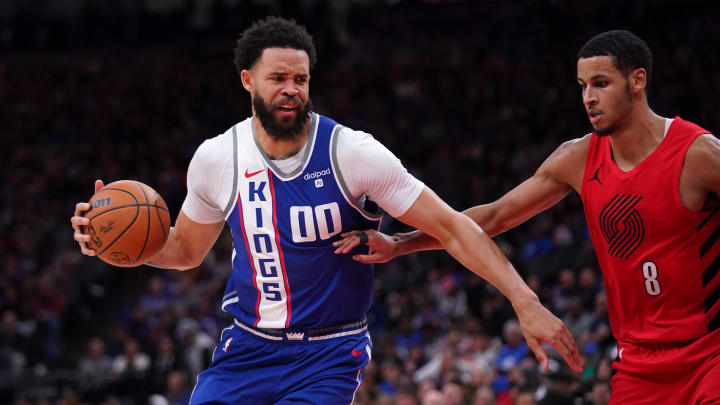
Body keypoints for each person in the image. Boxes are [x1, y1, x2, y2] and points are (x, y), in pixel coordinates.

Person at [70, 16, 581, 404]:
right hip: (247, 347)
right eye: (278, 78)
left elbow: (452, 226)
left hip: (328, 353)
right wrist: (109, 247)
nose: (292, 88)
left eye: (301, 78)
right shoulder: (215, 158)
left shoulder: (353, 154)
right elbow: (182, 251)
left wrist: (522, 298)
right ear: (248, 81)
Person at [333, 30, 720, 403]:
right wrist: (399, 243)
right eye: (582, 86)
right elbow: (495, 215)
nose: (588, 98)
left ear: (638, 81)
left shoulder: (698, 155)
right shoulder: (578, 157)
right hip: (638, 362)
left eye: (601, 84)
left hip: (710, 353)